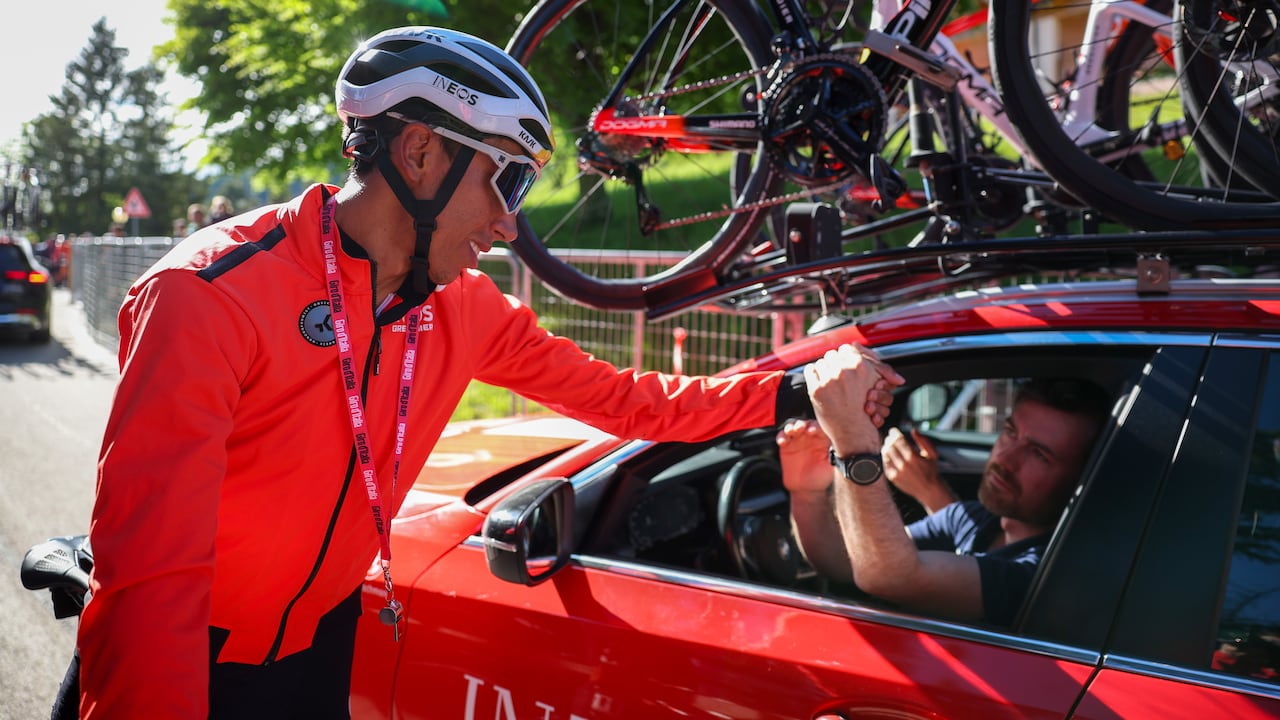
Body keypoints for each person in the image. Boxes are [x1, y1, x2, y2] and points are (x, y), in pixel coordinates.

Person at [66, 26, 897, 719]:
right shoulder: (208, 296)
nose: (509, 224)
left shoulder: (463, 306)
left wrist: (800, 387)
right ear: (420, 151)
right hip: (180, 659)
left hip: (317, 649)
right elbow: (151, 586)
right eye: (509, 180)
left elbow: (628, 402)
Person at [779, 346, 1111, 627]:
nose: (1006, 459)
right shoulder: (969, 520)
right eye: (1010, 432)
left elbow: (889, 577)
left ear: (1084, 478)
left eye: (1039, 454)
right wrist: (806, 494)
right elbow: (846, 561)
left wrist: (853, 442)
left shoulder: (1046, 573)